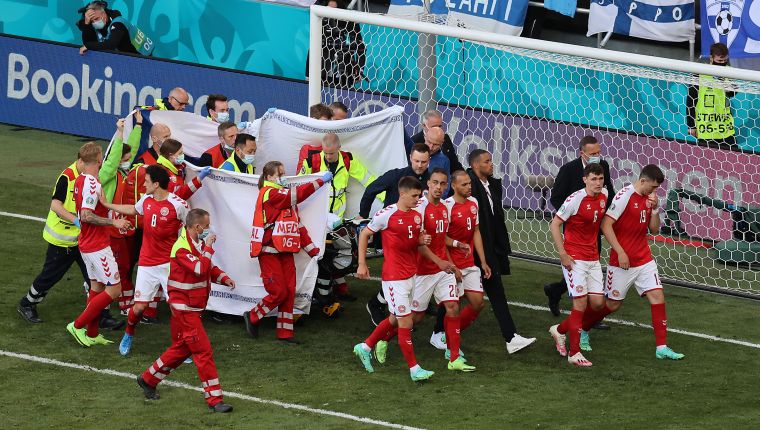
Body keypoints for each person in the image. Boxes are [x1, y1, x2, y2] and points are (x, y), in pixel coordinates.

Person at [435, 149, 535, 354]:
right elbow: (446, 234)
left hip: (486, 251)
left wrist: (486, 256)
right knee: (456, 298)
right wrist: (457, 248)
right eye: (487, 161)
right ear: (475, 165)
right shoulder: (458, 199)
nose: (491, 164)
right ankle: (508, 336)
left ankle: (445, 333)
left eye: (491, 160)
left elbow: (483, 226)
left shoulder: (486, 190)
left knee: (476, 299)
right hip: (462, 257)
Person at [581, 165, 685, 361]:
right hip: (622, 262)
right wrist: (620, 252)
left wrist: (654, 209)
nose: (654, 192)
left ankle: (661, 347)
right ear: (643, 181)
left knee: (658, 297)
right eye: (652, 187)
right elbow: (605, 225)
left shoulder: (649, 199)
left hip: (644, 258)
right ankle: (583, 328)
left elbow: (654, 230)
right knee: (612, 305)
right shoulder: (624, 196)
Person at [136, 208, 235, 413]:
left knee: (183, 348)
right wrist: (208, 247)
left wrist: (223, 277)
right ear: (197, 227)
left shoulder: (194, 244)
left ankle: (148, 379)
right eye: (206, 226)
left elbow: (207, 268)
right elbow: (199, 269)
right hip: (185, 310)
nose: (209, 230)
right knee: (203, 351)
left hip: (189, 308)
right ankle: (215, 400)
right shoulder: (181, 248)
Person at [101, 165, 197, 356]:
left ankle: (180, 347)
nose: (143, 184)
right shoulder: (146, 200)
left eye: (146, 181)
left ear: (156, 184)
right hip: (147, 264)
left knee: (177, 309)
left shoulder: (179, 205)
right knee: (139, 308)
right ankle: (129, 333)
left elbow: (191, 228)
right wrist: (107, 205)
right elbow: (133, 209)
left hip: (170, 265)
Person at [352, 176, 435, 382]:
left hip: (411, 274)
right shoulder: (386, 214)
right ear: (403, 194)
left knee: (394, 319)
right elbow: (364, 234)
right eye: (415, 196)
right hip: (393, 277)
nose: (418, 199)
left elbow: (411, 241)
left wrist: (421, 240)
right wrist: (361, 263)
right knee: (405, 322)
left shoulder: (416, 214)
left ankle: (365, 347)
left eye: (420, 195)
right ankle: (414, 369)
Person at [243, 161, 331, 343]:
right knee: (279, 292)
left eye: (283, 173)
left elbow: (297, 226)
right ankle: (253, 316)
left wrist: (313, 250)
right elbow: (298, 194)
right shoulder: (270, 193)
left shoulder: (284, 198)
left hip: (285, 250)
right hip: (268, 250)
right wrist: (320, 182)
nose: (283, 177)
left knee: (289, 292)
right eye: (279, 174)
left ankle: (285, 334)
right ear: (269, 177)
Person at [66, 142, 132, 347]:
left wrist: (108, 210)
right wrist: (114, 221)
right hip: (97, 246)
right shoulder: (92, 184)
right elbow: (86, 215)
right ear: (98, 160)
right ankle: (77, 325)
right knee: (114, 289)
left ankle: (92, 333)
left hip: (88, 244)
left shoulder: (80, 180)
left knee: (96, 287)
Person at [544, 136, 615, 321]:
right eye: (593, 153)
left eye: (599, 152)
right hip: (575, 228)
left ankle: (556, 290)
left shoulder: (603, 166)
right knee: (579, 267)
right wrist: (571, 218)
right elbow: (556, 197)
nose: (597, 156)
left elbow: (610, 192)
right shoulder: (568, 170)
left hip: (595, 226)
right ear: (582, 153)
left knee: (590, 266)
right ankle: (588, 318)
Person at [298, 133, 375, 303]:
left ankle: (337, 288)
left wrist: (387, 198)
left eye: (331, 153)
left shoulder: (348, 160)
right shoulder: (312, 161)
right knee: (320, 254)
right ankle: (320, 291)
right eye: (325, 153)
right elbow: (300, 184)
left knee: (338, 253)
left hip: (337, 219)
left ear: (339, 148)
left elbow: (368, 179)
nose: (328, 156)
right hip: (317, 218)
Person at [411, 169, 475, 372]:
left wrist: (457, 244)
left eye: (443, 184)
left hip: (442, 269)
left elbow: (441, 239)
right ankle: (380, 339)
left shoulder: (445, 208)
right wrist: (437, 259)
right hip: (423, 270)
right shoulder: (420, 207)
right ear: (428, 184)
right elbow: (417, 242)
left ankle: (454, 356)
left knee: (453, 307)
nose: (439, 187)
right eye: (435, 183)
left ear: (447, 186)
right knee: (415, 318)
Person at [360, 144, 431, 325]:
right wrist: (363, 214)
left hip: (417, 234)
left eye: (424, 161)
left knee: (414, 270)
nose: (420, 165)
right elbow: (370, 189)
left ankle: (407, 308)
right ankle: (378, 305)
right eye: (416, 161)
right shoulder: (396, 176)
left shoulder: (431, 180)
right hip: (393, 235)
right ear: (410, 158)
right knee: (399, 273)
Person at [427, 170, 492, 361]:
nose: (469, 187)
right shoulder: (446, 207)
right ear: (454, 186)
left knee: (477, 303)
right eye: (464, 184)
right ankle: (445, 338)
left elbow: (476, 232)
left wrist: (483, 260)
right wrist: (452, 266)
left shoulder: (474, 203)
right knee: (453, 304)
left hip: (469, 263)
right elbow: (441, 239)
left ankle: (449, 334)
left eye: (469, 183)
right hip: (452, 263)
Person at [547, 163, 608, 367]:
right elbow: (555, 224)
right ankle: (575, 352)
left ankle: (560, 330)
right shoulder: (575, 199)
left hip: (593, 258)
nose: (598, 183)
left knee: (598, 304)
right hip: (575, 259)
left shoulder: (604, 196)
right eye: (593, 179)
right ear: (585, 180)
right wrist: (563, 254)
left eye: (600, 179)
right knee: (580, 305)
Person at [687, 43, 736, 150]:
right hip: (706, 127)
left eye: (725, 61)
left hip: (724, 127)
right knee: (707, 160)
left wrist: (729, 88)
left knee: (733, 157)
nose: (722, 63)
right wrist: (691, 125)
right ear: (711, 58)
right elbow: (691, 100)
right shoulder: (699, 73)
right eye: (719, 61)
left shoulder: (729, 71)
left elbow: (733, 93)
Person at [305, 0, 366, 87]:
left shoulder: (349, 19)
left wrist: (359, 70)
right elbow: (312, 48)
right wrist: (308, 75)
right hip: (322, 71)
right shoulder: (319, 18)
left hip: (343, 71)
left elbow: (361, 48)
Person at [408, 110, 464, 174]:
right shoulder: (414, 141)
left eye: (440, 126)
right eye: (434, 126)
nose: (438, 129)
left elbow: (454, 163)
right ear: (424, 126)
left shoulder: (445, 138)